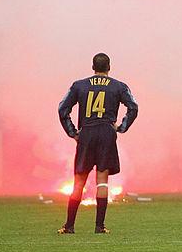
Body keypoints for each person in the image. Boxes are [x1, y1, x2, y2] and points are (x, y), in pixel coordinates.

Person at [57, 53, 138, 234]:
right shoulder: (119, 86)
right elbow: (133, 107)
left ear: (93, 67)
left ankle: (69, 226)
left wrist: (72, 132)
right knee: (102, 181)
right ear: (109, 67)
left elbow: (63, 108)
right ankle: (99, 226)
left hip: (87, 132)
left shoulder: (79, 85)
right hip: (107, 133)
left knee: (79, 181)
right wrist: (121, 127)